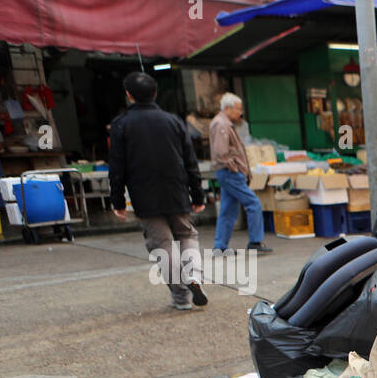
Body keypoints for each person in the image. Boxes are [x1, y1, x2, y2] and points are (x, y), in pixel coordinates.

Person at [107, 72, 208, 311]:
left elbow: (117, 167)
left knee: (161, 243)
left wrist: (117, 200)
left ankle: (181, 297)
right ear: (155, 93)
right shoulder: (174, 121)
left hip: (145, 195)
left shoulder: (121, 125)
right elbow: (190, 160)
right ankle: (194, 276)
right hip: (176, 190)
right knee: (187, 235)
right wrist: (198, 194)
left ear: (129, 95)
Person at [209, 93, 271, 257]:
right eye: (238, 109)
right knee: (253, 203)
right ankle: (255, 242)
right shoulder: (221, 124)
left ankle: (220, 246)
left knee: (228, 210)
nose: (240, 113)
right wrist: (235, 168)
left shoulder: (223, 123)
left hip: (228, 172)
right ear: (227, 108)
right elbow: (221, 153)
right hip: (230, 173)